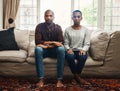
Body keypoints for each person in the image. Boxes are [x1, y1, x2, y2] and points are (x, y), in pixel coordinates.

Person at [35, 9, 65, 87]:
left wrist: (47, 45)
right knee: (38, 49)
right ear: (44, 17)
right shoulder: (39, 27)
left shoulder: (58, 27)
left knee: (61, 49)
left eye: (50, 16)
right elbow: (38, 41)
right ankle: (41, 79)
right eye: (47, 16)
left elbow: (61, 42)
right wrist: (54, 43)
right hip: (44, 51)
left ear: (53, 17)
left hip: (54, 51)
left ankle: (59, 80)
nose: (48, 17)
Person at [64, 10, 90, 85]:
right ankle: (78, 78)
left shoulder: (85, 30)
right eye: (74, 17)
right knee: (70, 57)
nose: (76, 18)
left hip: (81, 50)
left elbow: (87, 43)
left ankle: (76, 77)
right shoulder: (67, 30)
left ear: (81, 18)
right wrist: (68, 49)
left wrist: (84, 50)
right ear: (72, 18)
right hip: (71, 50)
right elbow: (65, 43)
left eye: (78, 17)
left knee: (82, 57)